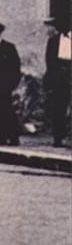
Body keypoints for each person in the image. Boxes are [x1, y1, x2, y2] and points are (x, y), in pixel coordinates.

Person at [46, 17, 71, 147]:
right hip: (59, 78)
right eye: (60, 25)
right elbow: (49, 62)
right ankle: (58, 137)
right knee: (58, 109)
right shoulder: (53, 41)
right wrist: (50, 80)